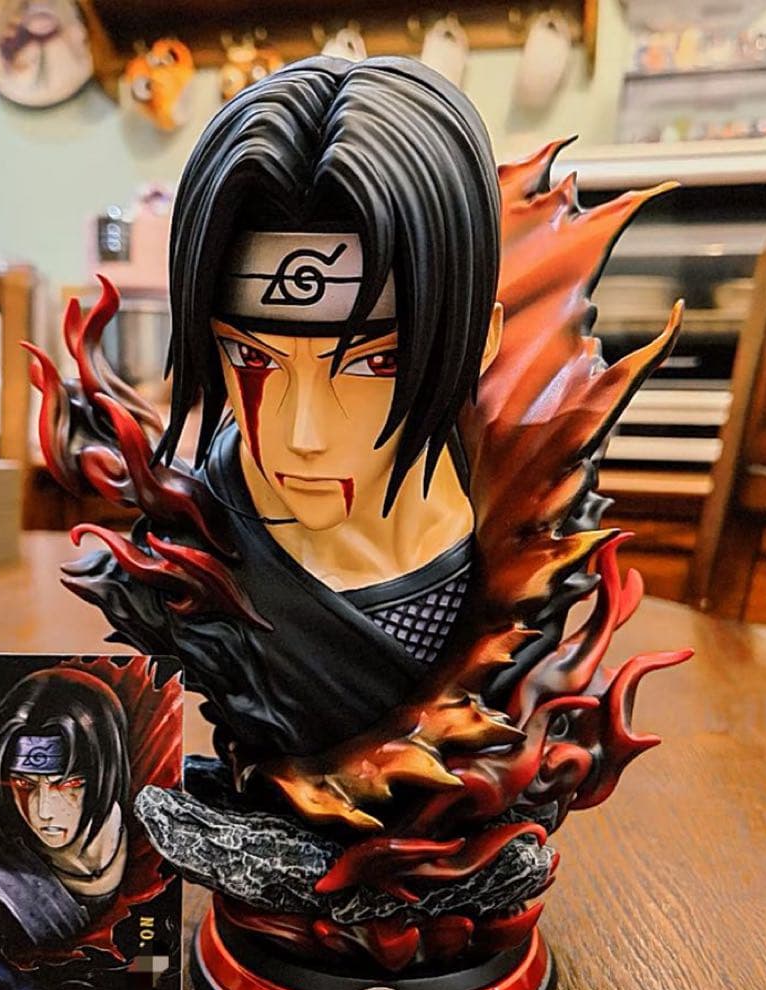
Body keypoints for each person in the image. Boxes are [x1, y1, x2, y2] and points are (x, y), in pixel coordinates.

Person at [63, 56, 507, 762]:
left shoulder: (521, 528)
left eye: (374, 363)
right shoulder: (188, 560)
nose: (303, 434)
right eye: (253, 356)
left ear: (480, 341)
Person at [0, 666, 132, 990]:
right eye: (24, 785)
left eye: (68, 784)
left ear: (104, 773)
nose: (43, 812)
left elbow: (154, 956)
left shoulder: (145, 839)